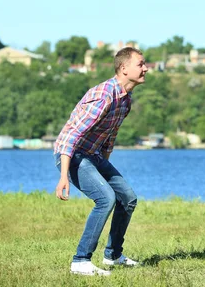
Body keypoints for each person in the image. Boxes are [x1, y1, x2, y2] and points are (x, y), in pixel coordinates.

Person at [54, 47, 148, 276]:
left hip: (93, 155)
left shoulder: (125, 101)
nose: (146, 68)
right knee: (106, 198)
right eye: (141, 64)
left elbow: (109, 136)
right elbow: (71, 135)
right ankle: (80, 261)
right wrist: (64, 176)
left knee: (127, 198)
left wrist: (102, 166)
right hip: (72, 154)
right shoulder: (104, 95)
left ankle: (113, 255)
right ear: (124, 68)